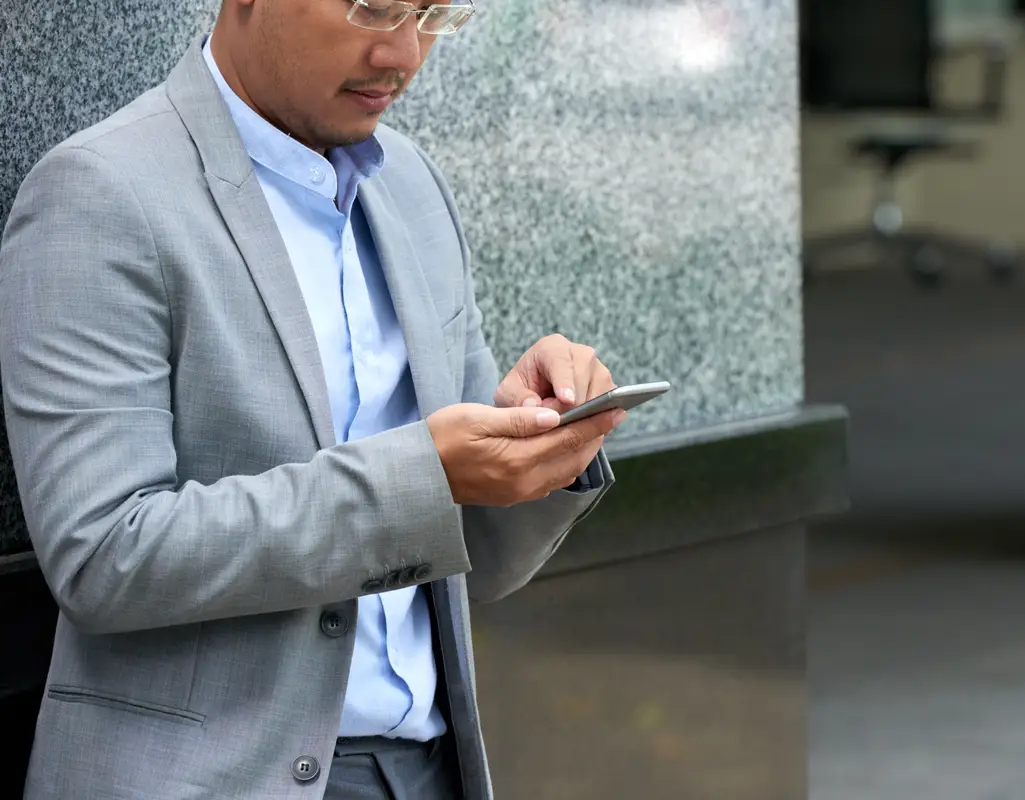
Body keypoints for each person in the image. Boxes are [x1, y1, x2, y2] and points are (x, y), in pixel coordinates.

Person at [0, 0, 625, 797]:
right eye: (376, 8)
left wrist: (540, 448)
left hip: (431, 768)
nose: (405, 53)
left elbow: (470, 556)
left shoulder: (413, 187)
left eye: (437, 15)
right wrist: (425, 474)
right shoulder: (101, 194)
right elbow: (104, 557)